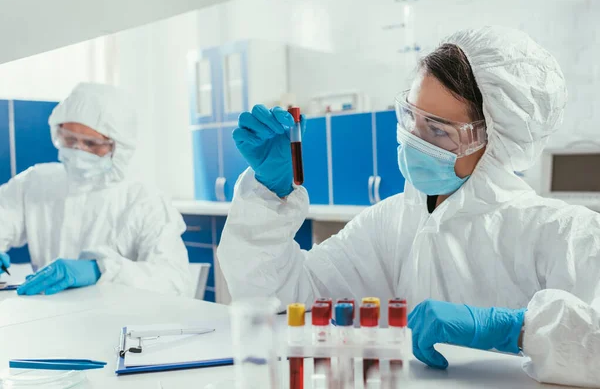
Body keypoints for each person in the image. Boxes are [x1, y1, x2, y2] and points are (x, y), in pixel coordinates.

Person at [217, 26, 600, 387]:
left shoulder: (565, 233)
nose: (414, 141)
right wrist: (269, 193)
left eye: (437, 130)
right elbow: (285, 299)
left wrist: (515, 329)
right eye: (410, 118)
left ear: (497, 141)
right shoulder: (394, 221)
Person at [0, 83, 192, 297]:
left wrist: (102, 269)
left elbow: (174, 280)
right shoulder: (35, 182)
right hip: (50, 315)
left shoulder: (144, 199)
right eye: (70, 139)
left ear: (118, 146)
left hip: (119, 321)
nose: (78, 151)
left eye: (91, 143)